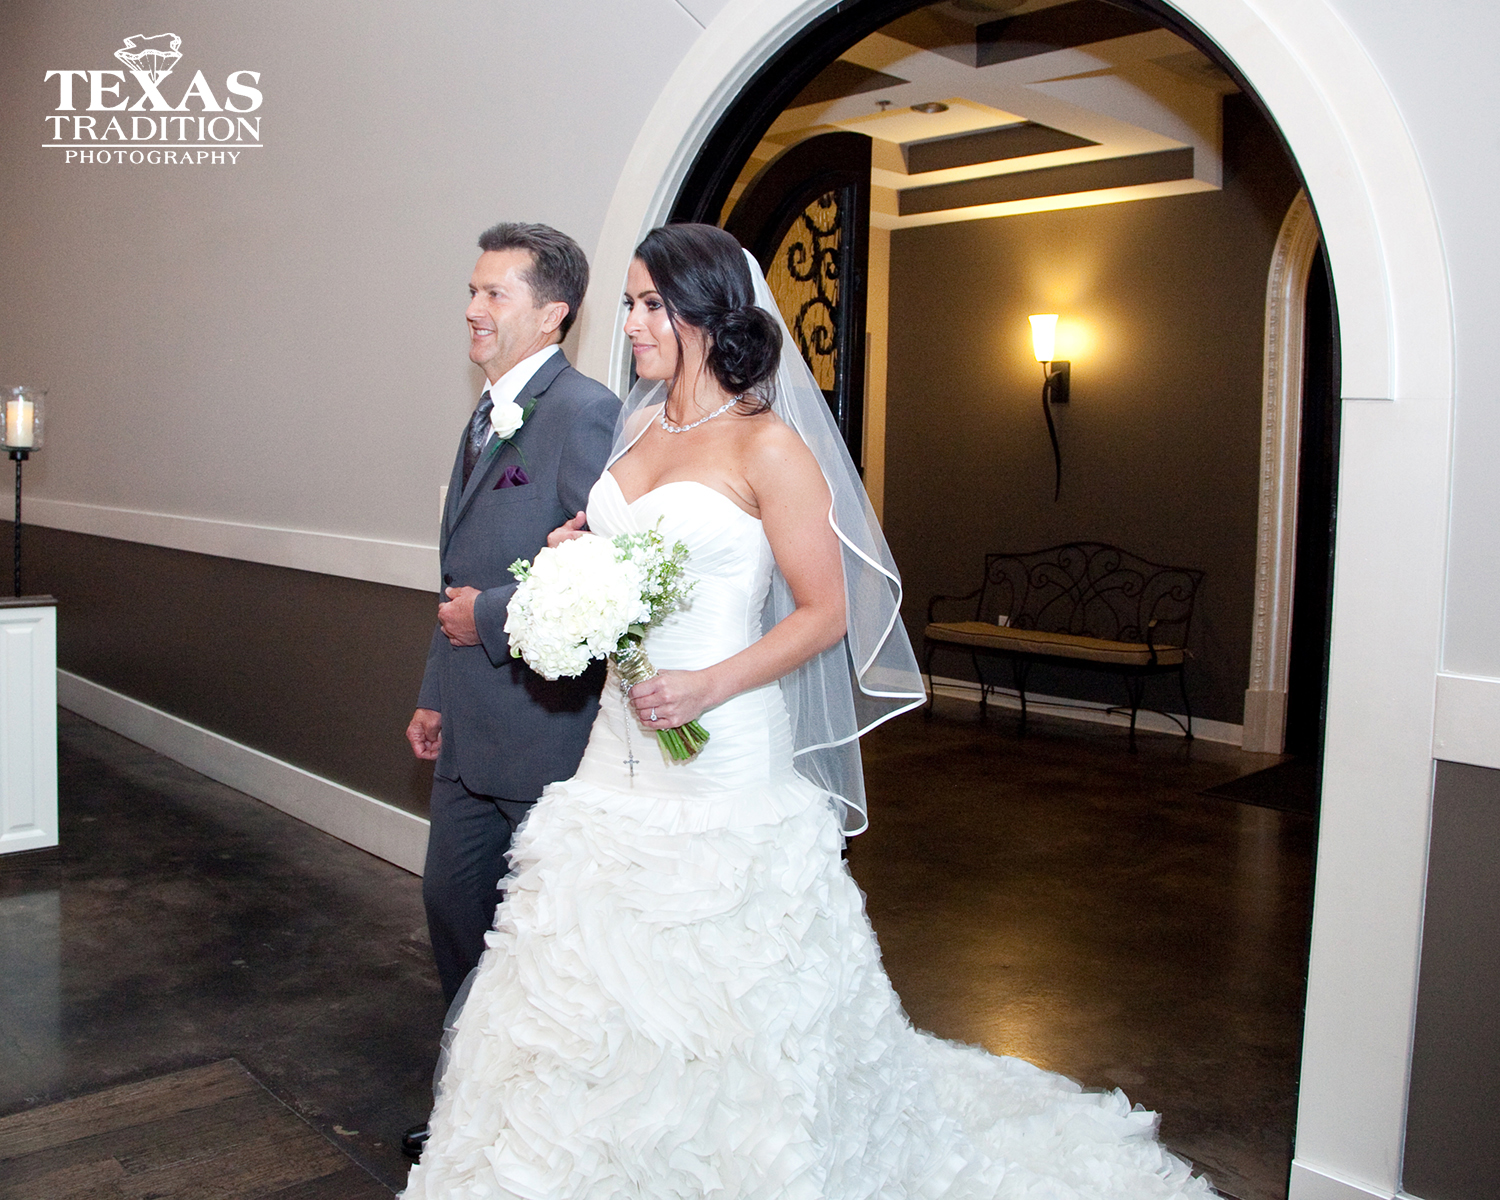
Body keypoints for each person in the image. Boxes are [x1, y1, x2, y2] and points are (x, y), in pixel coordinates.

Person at [402, 224, 1212, 1198]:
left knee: (723, 987)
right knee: (588, 975)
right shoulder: (638, 429)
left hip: (720, 753)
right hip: (616, 750)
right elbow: (628, 553)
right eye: (628, 304)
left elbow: (828, 612)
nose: (632, 325)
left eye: (651, 305)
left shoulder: (769, 445)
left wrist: (709, 685)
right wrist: (580, 555)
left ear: (707, 317)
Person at [403, 222, 619, 1156]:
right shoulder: (484, 414)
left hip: (542, 732)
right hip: (468, 726)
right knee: (452, 907)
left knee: (539, 944)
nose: (473, 309)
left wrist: (486, 620)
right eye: (473, 290)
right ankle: (476, 1095)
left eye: (495, 293)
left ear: (552, 312)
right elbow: (460, 567)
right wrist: (435, 690)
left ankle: (528, 1123)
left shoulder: (586, 413)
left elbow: (604, 579)